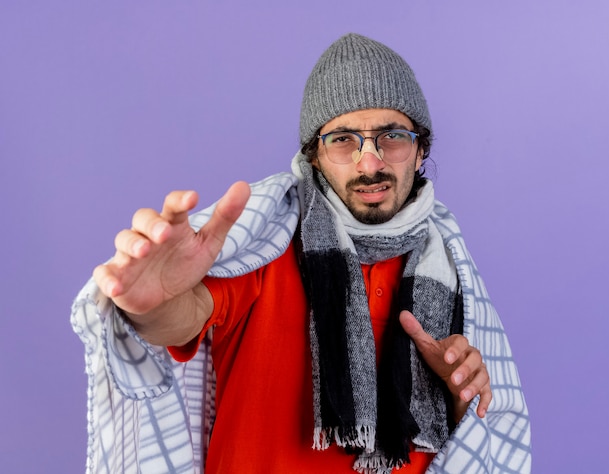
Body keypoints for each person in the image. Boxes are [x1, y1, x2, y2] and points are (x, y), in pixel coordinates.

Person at [72, 33, 531, 473]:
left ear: (420, 147)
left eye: (392, 136)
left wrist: (458, 394)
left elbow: (464, 440)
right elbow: (181, 318)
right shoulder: (266, 244)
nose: (369, 163)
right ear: (314, 154)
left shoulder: (448, 267)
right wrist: (152, 304)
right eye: (343, 139)